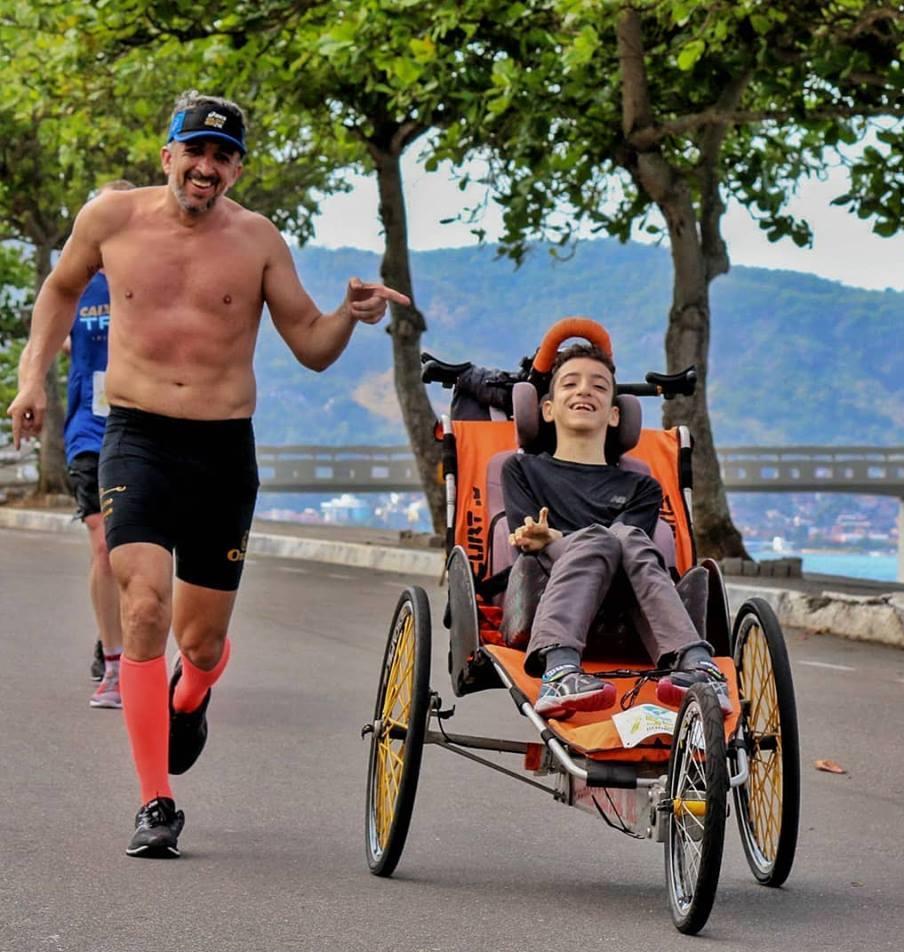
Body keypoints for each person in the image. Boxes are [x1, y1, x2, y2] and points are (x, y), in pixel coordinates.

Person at [8, 91, 410, 858]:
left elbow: (313, 347)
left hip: (223, 451)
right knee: (144, 609)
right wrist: (34, 379)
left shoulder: (258, 240)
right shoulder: (112, 220)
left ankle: (190, 697)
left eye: (223, 156)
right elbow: (60, 289)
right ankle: (156, 801)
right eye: (195, 151)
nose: (207, 167)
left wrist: (348, 314)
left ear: (235, 168)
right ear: (168, 155)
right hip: (136, 438)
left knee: (199, 645)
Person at [500, 343, 731, 719]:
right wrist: (540, 537)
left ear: (614, 415)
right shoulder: (520, 469)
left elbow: (629, 549)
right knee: (603, 536)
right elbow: (523, 535)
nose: (584, 390)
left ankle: (698, 664)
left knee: (621, 538)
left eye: (599, 386)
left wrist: (557, 536)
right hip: (547, 580)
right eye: (570, 383)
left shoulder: (644, 486)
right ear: (546, 408)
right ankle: (558, 668)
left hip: (623, 590)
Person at [63, 179, 136, 709]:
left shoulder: (150, 274)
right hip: (89, 425)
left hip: (143, 424)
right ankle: (114, 665)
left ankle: (133, 642)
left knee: (138, 549)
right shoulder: (78, 281)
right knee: (103, 541)